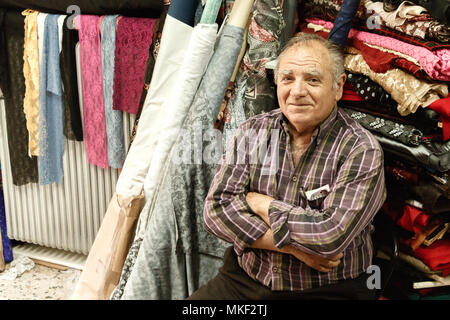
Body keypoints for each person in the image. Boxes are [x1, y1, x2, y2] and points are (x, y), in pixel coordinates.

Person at [187, 33, 386, 300]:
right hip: (244, 279)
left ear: (338, 87)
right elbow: (216, 212)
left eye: (313, 80)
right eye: (287, 78)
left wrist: (262, 204)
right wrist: (293, 248)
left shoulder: (361, 149)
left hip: (325, 289)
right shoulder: (252, 131)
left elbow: (329, 237)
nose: (297, 91)